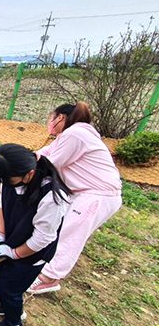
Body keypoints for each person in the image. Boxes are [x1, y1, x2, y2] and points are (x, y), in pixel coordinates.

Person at [27, 102, 122, 294]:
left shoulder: (75, 134)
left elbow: (52, 164)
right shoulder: (70, 135)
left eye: (51, 117)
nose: (50, 121)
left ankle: (48, 278)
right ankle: (44, 265)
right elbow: (46, 153)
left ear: (60, 117)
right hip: (82, 192)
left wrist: (25, 173)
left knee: (70, 233)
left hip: (96, 194)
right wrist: (27, 157)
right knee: (61, 226)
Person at [0, 143, 71, 326]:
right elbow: (3, 207)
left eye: (9, 181)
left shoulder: (52, 198)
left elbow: (42, 239)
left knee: (10, 286)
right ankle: (8, 304)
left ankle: (14, 323)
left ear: (29, 174)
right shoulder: (10, 177)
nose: (5, 184)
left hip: (32, 253)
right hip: (12, 238)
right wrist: (2, 236)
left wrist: (14, 253)